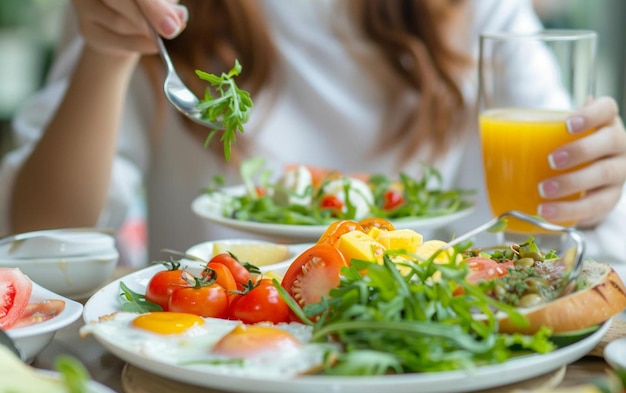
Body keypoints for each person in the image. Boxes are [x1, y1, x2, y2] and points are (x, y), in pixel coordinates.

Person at [1, 0, 625, 265]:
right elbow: (40, 235)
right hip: (211, 370)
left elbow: (562, 219)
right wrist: (107, 52)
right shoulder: (152, 7)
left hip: (439, 382)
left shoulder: (480, 10)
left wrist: (594, 186)